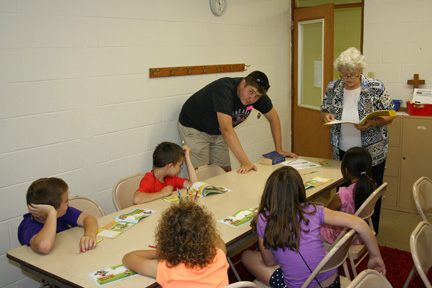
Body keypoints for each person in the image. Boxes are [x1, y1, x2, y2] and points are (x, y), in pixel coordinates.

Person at [241, 166, 385, 288]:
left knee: (246, 256)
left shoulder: (264, 219)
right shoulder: (315, 210)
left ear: (269, 193)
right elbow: (360, 223)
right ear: (300, 190)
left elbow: (270, 262)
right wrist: (376, 256)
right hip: (332, 283)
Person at [320, 47, 394, 234]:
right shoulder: (333, 87)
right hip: (342, 151)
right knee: (344, 194)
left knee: (370, 195)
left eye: (352, 75)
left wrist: (372, 123)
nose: (348, 79)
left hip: (371, 152)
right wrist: (327, 116)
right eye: (344, 75)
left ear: (360, 71)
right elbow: (323, 110)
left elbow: (390, 115)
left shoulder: (376, 87)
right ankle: (344, 232)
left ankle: (370, 232)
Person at [178, 70, 297, 174]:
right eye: (251, 92)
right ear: (243, 83)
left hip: (217, 130)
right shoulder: (224, 90)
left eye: (257, 96)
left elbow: (274, 118)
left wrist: (279, 149)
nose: (252, 99)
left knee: (225, 172)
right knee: (202, 175)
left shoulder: (256, 96)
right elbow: (226, 129)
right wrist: (244, 162)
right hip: (195, 128)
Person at [122, 201, 229, 288]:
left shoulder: (166, 268)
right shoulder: (219, 256)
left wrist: (163, 252)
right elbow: (217, 240)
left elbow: (128, 258)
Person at [18, 177, 99, 254]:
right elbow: (44, 246)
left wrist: (89, 235)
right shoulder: (28, 227)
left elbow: (88, 218)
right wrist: (52, 213)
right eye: (66, 201)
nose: (68, 203)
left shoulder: (64, 213)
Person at [320, 147, 376, 244]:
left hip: (340, 236)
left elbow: (325, 215)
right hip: (359, 233)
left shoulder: (342, 195)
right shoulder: (372, 185)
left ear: (346, 170)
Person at [134, 142, 198, 204]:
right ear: (170, 166)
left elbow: (194, 184)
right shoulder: (149, 179)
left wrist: (187, 157)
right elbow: (137, 199)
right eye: (180, 165)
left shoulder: (171, 178)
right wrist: (162, 193)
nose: (180, 168)